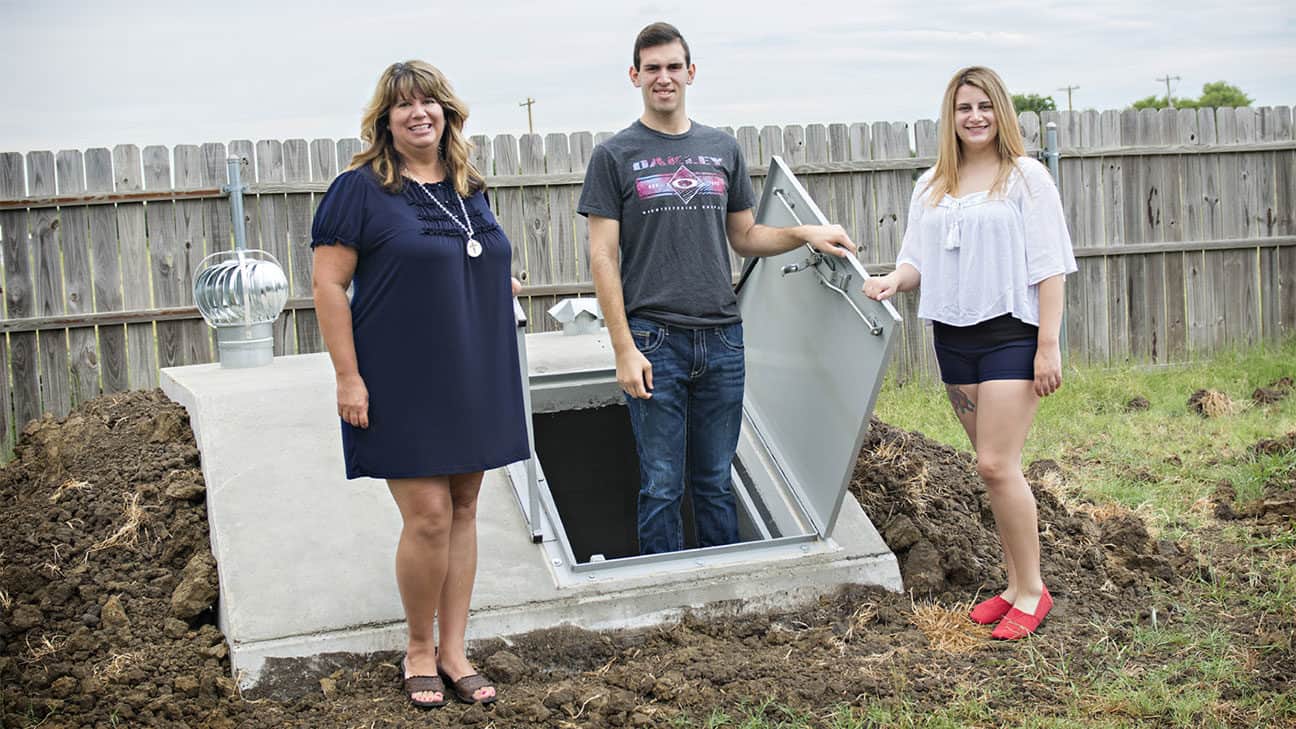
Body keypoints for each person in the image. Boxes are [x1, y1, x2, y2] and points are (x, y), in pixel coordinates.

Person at [578, 22, 858, 555]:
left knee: (715, 482)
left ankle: (728, 603)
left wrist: (803, 234)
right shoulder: (614, 155)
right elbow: (602, 256)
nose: (664, 77)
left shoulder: (721, 148)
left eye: (673, 67)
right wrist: (623, 347)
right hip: (653, 339)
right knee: (661, 486)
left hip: (723, 340)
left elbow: (745, 236)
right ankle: (664, 595)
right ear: (635, 76)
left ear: (691, 72)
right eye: (652, 68)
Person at [311, 60, 528, 707]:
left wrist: (496, 285)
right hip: (400, 377)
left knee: (464, 508)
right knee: (429, 515)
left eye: (428, 101)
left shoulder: (469, 186)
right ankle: (417, 647)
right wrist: (348, 377)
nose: (418, 113)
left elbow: (475, 258)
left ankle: (456, 650)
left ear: (447, 112)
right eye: (403, 105)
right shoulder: (360, 189)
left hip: (474, 368)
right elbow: (327, 285)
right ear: (385, 120)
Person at [863, 66, 1077, 640]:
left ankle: (1033, 591)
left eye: (984, 106)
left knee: (995, 464)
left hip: (1012, 336)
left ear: (1000, 111)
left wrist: (1048, 346)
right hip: (952, 339)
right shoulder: (931, 183)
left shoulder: (1026, 178)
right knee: (995, 472)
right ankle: (1012, 585)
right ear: (950, 117)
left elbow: (1050, 266)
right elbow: (917, 262)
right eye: (964, 108)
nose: (975, 117)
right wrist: (890, 281)